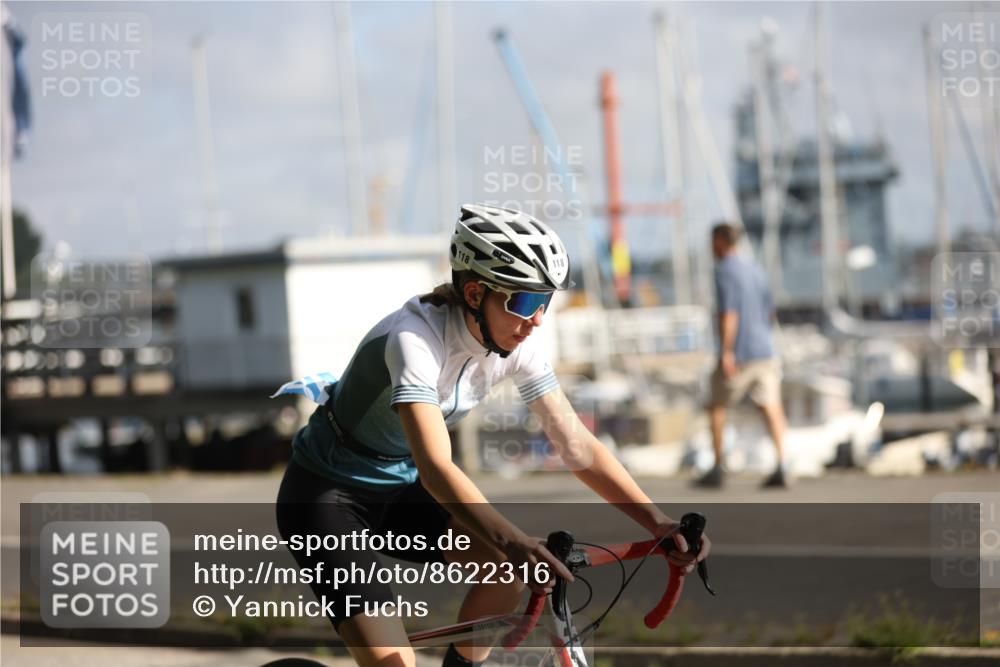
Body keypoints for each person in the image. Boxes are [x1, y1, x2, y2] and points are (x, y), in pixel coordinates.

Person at [275, 204, 711, 667]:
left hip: (399, 489)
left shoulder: (514, 346)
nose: (537, 319)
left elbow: (577, 446)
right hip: (326, 498)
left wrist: (657, 522)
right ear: (475, 291)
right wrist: (517, 540)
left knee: (504, 572)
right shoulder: (414, 341)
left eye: (545, 302)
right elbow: (438, 467)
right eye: (524, 302)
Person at [696, 222, 788, 489]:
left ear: (722, 241)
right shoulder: (756, 269)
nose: (711, 247)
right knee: (771, 407)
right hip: (766, 350)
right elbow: (770, 312)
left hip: (740, 352)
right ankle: (782, 463)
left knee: (717, 406)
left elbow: (729, 314)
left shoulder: (724, 270)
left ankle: (717, 467)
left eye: (713, 241)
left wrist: (726, 352)